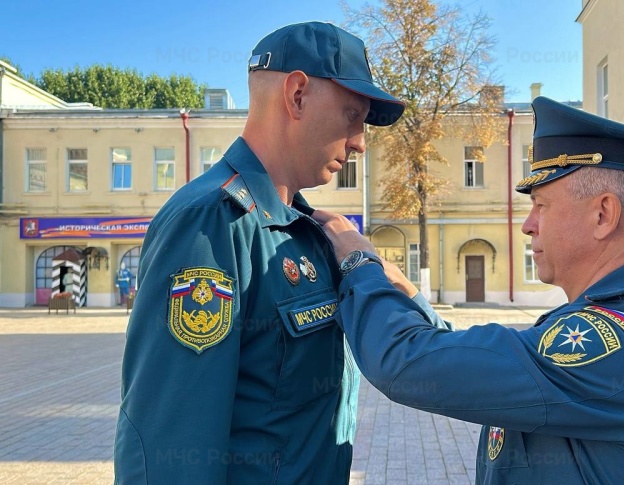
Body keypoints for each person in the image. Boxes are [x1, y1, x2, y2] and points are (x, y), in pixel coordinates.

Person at [312, 96, 624, 483]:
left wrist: (358, 261)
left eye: (542, 205)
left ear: (603, 215)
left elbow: (405, 363)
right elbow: (499, 365)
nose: (528, 225)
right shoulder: (618, 318)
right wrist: (410, 296)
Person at [114, 22, 410, 484]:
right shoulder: (212, 223)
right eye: (353, 116)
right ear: (296, 95)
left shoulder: (305, 229)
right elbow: (171, 437)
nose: (359, 143)